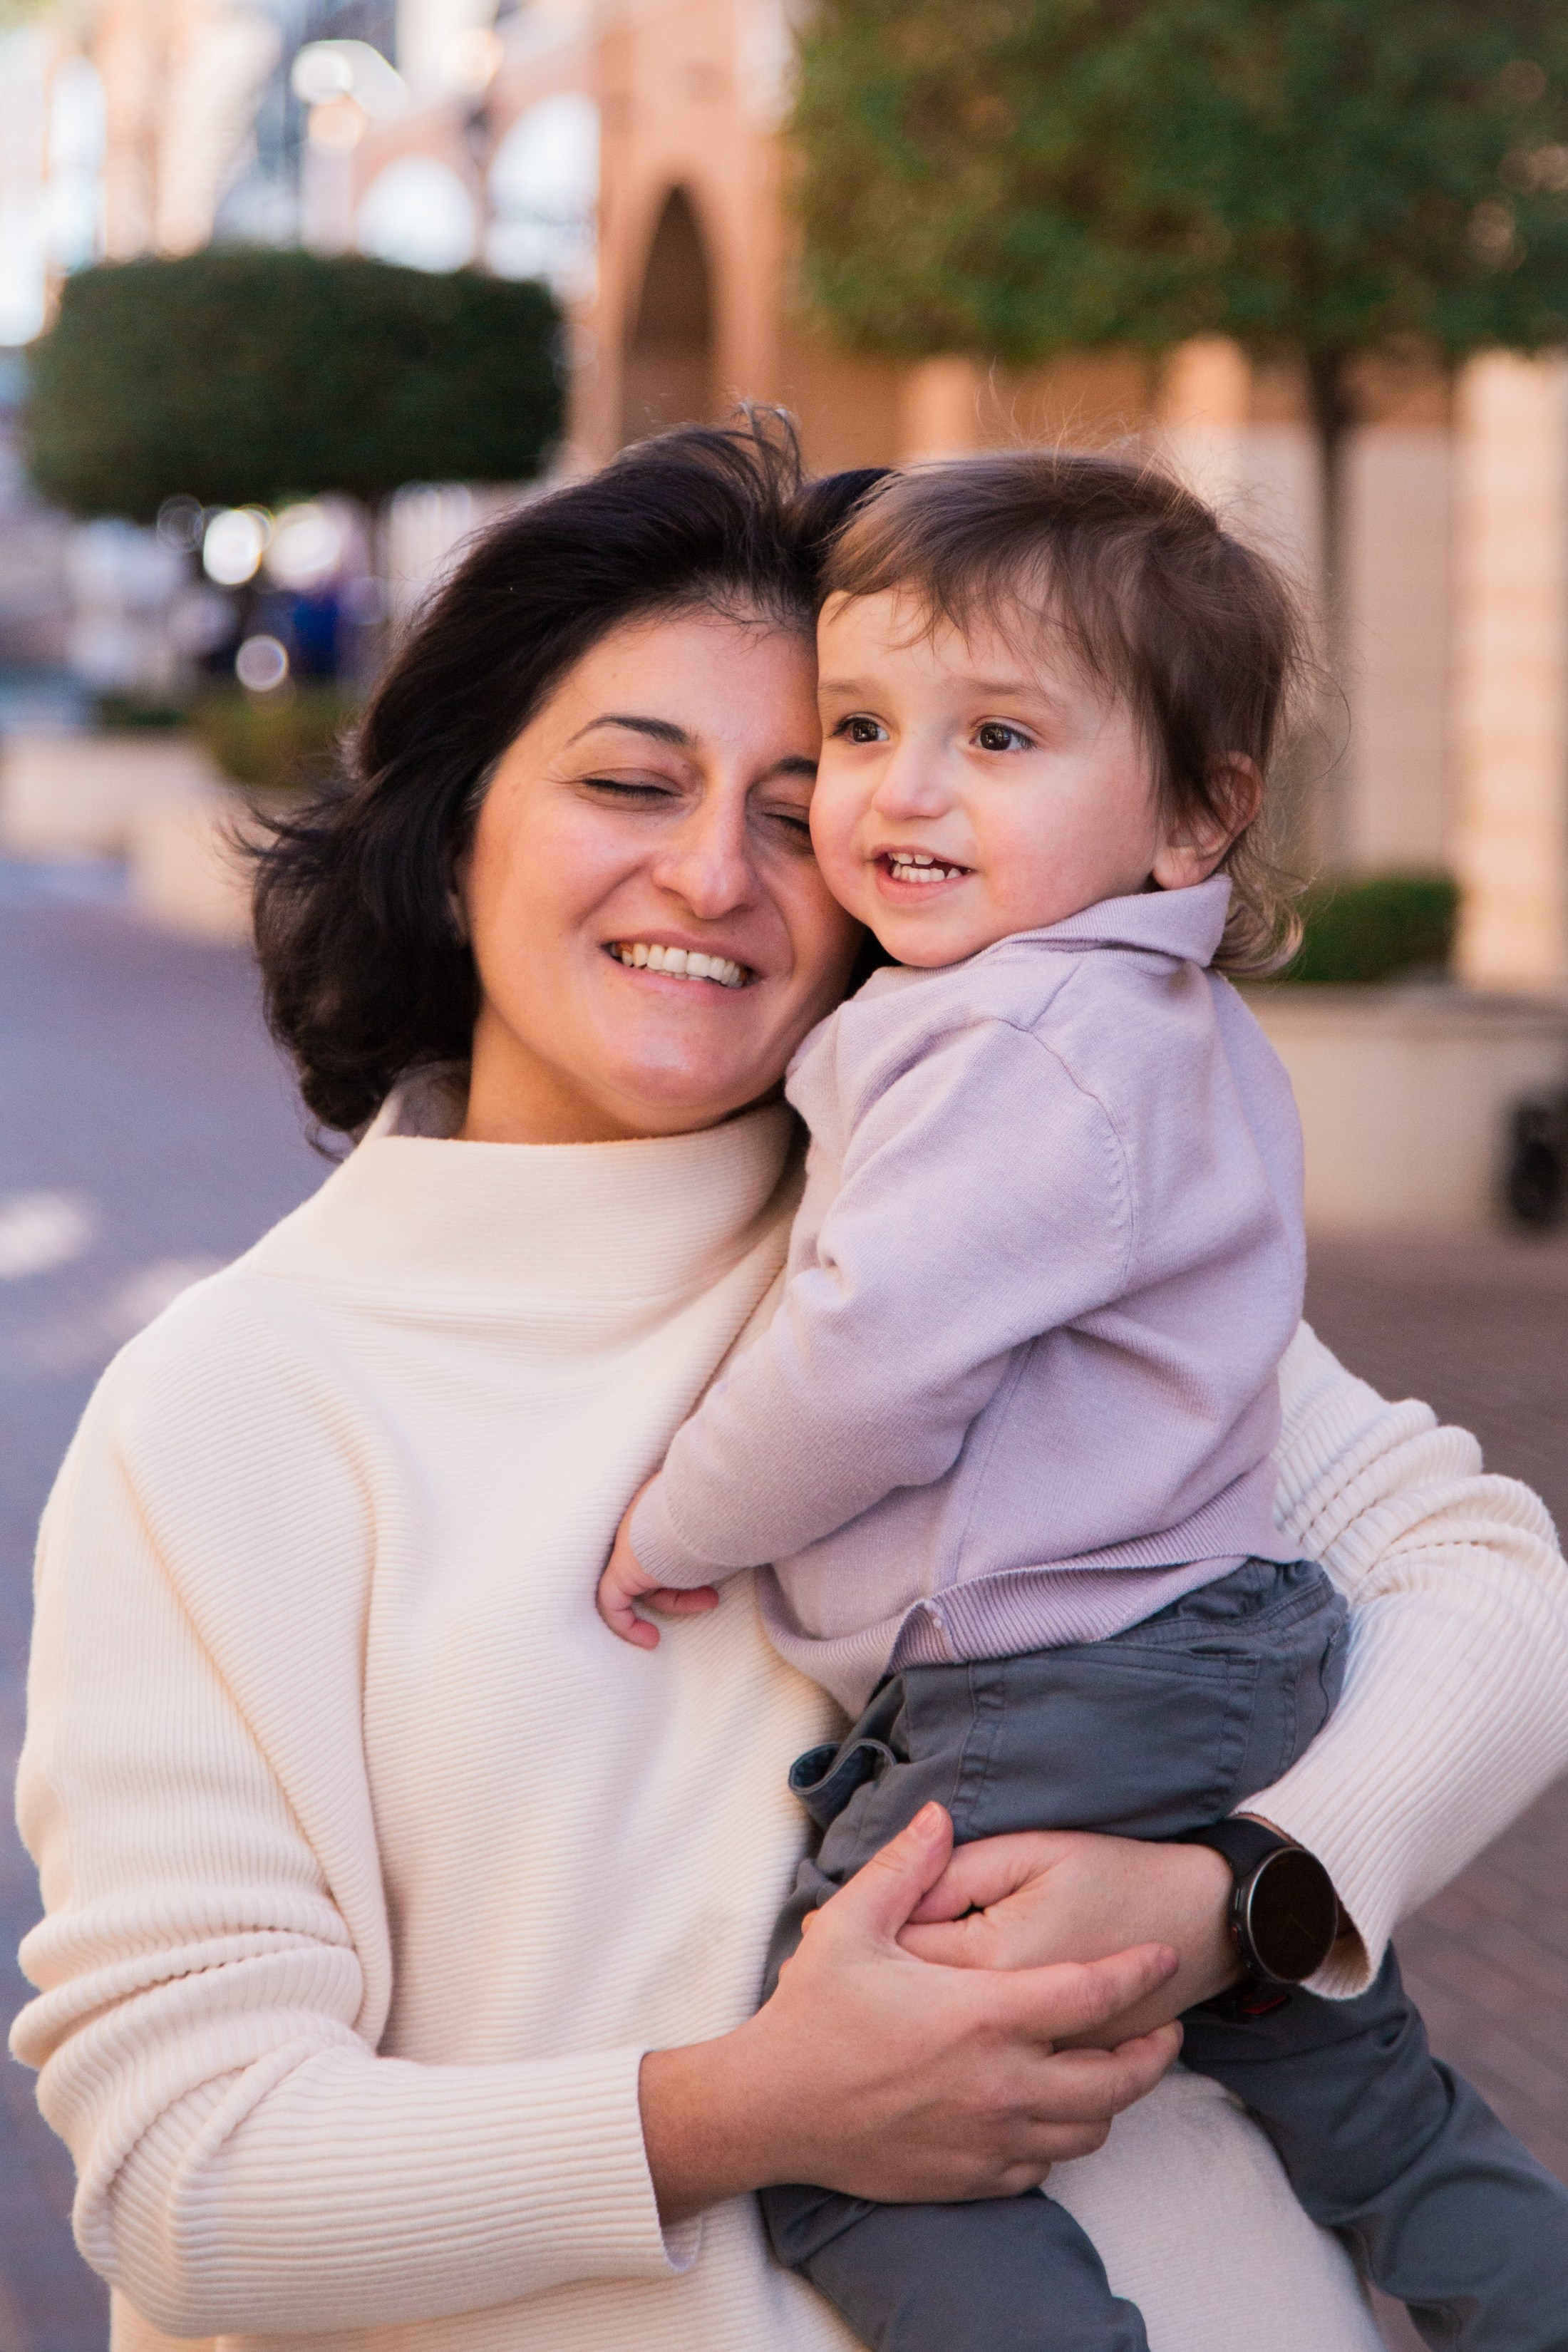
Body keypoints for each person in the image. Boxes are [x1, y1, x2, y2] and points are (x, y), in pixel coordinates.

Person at [11, 421, 1568, 2352]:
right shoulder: (237, 1405)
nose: (713, 869)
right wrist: (756, 2106)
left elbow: (1491, 1578)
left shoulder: (960, 1226)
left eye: (791, 793)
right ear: (455, 818)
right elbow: (190, 2176)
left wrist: (1237, 1900)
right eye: (630, 780)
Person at [597, 453, 1568, 2352]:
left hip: (1056, 1690)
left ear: (1198, 814)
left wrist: (672, 1523)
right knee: (1372, 2105)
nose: (906, 788)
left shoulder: (1022, 1041)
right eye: (862, 725)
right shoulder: (1140, 1015)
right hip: (1211, 1655)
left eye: (1004, 734)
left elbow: (866, 1358)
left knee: (844, 2140)